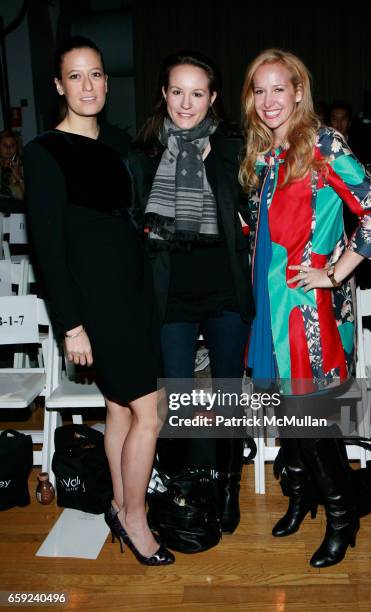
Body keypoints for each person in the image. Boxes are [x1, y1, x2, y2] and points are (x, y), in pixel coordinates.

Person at [240, 49, 371, 567]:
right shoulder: (268, 154)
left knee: (310, 419)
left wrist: (333, 271)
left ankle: (342, 517)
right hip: (268, 308)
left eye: (278, 88)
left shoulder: (323, 144)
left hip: (303, 310)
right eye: (259, 90)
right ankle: (303, 495)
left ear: (299, 92)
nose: (268, 100)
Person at [23, 36, 174, 566]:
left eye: (96, 75)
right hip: (96, 305)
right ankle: (135, 520)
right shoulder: (43, 152)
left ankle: (117, 502)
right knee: (149, 411)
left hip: (134, 294)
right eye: (75, 76)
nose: (87, 86)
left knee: (119, 410)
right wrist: (71, 326)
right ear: (59, 86)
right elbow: (47, 248)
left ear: (108, 83)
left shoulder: (118, 141)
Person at [131, 51, 255, 534]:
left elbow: (259, 210)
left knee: (227, 396)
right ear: (163, 95)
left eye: (197, 93)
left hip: (225, 292)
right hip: (171, 299)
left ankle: (226, 487)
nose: (187, 102)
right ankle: (184, 487)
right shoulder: (141, 157)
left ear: (213, 99)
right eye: (177, 91)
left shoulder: (232, 149)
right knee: (172, 402)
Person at [0, 129, 24, 200]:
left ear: (17, 147)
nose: (8, 148)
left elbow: (31, 194)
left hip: (17, 209)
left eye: (12, 145)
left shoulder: (24, 166)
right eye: (5, 145)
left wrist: (17, 176)